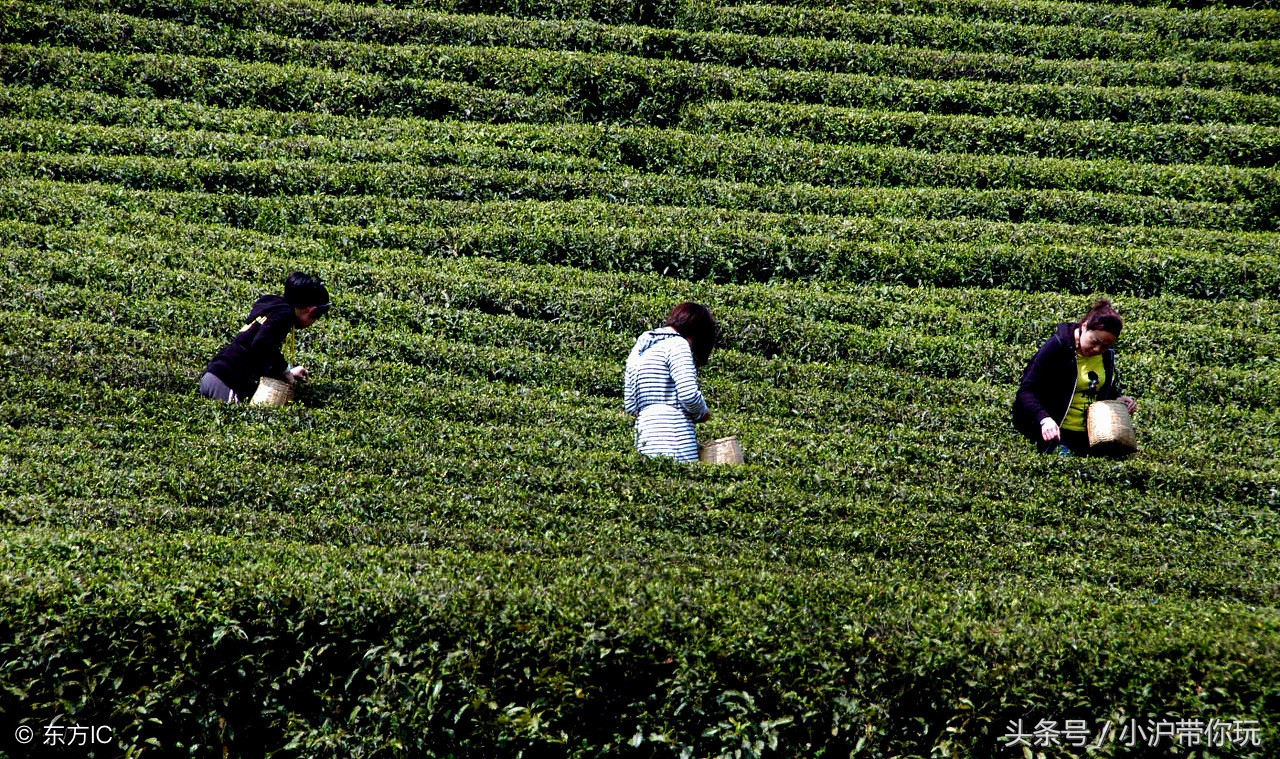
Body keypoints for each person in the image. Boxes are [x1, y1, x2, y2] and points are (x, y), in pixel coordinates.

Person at [1012, 298, 1138, 455]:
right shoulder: (1057, 347)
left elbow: (1096, 385)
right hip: (1057, 431)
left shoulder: (1106, 356)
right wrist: (1044, 419)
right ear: (1084, 326)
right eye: (1095, 341)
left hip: (1091, 434)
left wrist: (1117, 399)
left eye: (1106, 346)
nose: (1097, 349)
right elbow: (1026, 391)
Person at [198, 271, 331, 403]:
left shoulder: (271, 304)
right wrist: (285, 370)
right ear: (311, 311)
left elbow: (261, 353)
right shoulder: (284, 316)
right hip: (227, 382)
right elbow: (261, 344)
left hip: (213, 376)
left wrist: (288, 370)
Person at [624, 302, 717, 463]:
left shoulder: (640, 348)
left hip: (645, 439)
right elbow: (688, 394)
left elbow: (631, 406)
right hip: (676, 439)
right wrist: (703, 413)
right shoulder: (678, 345)